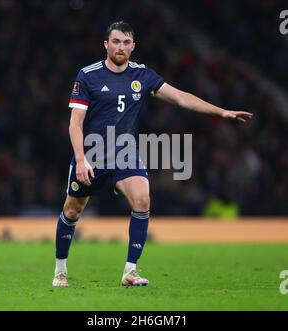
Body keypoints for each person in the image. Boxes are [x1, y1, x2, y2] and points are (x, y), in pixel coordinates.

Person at [52, 21, 253, 287]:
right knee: (72, 210)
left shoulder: (142, 75)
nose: (121, 47)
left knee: (143, 199)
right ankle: (60, 270)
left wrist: (221, 111)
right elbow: (75, 123)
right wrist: (80, 158)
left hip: (125, 153)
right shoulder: (88, 75)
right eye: (115, 42)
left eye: (126, 42)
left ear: (133, 46)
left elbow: (180, 97)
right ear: (106, 45)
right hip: (93, 153)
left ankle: (130, 271)